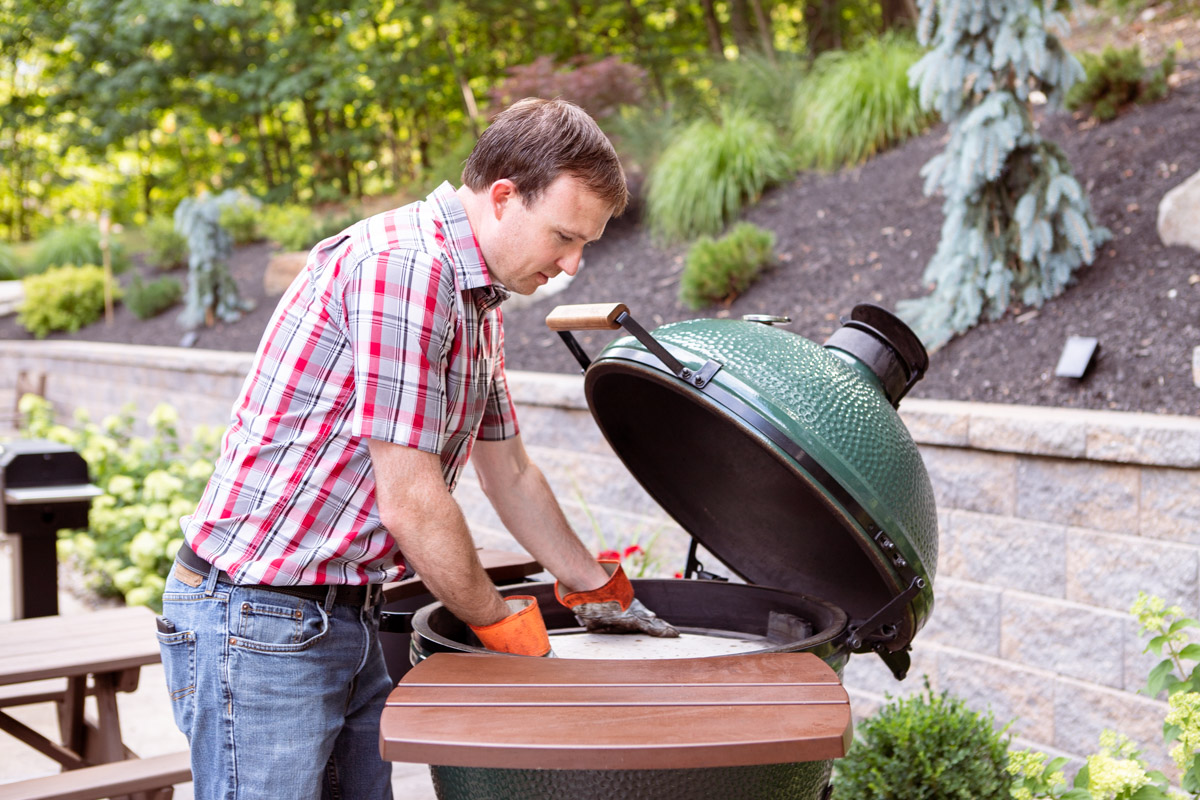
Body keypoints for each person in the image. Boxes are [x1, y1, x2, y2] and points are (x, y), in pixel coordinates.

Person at [156, 97, 677, 800]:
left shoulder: (477, 299)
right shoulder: (406, 269)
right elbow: (410, 500)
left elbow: (511, 474)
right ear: (502, 197)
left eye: (585, 243)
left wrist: (593, 587)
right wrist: (501, 625)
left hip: (343, 613)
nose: (573, 264)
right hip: (260, 622)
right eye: (564, 236)